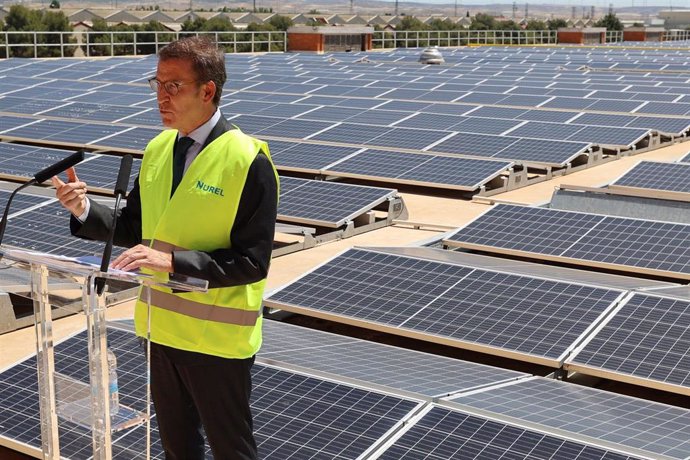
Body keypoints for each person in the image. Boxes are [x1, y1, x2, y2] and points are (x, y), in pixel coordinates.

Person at [51, 36, 279, 460]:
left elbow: (252, 262)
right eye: (156, 83)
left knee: (232, 450)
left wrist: (170, 261)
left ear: (207, 91)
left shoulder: (248, 160)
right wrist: (84, 209)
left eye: (173, 85)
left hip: (217, 340)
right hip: (159, 330)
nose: (161, 96)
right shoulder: (158, 149)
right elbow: (135, 226)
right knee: (177, 448)